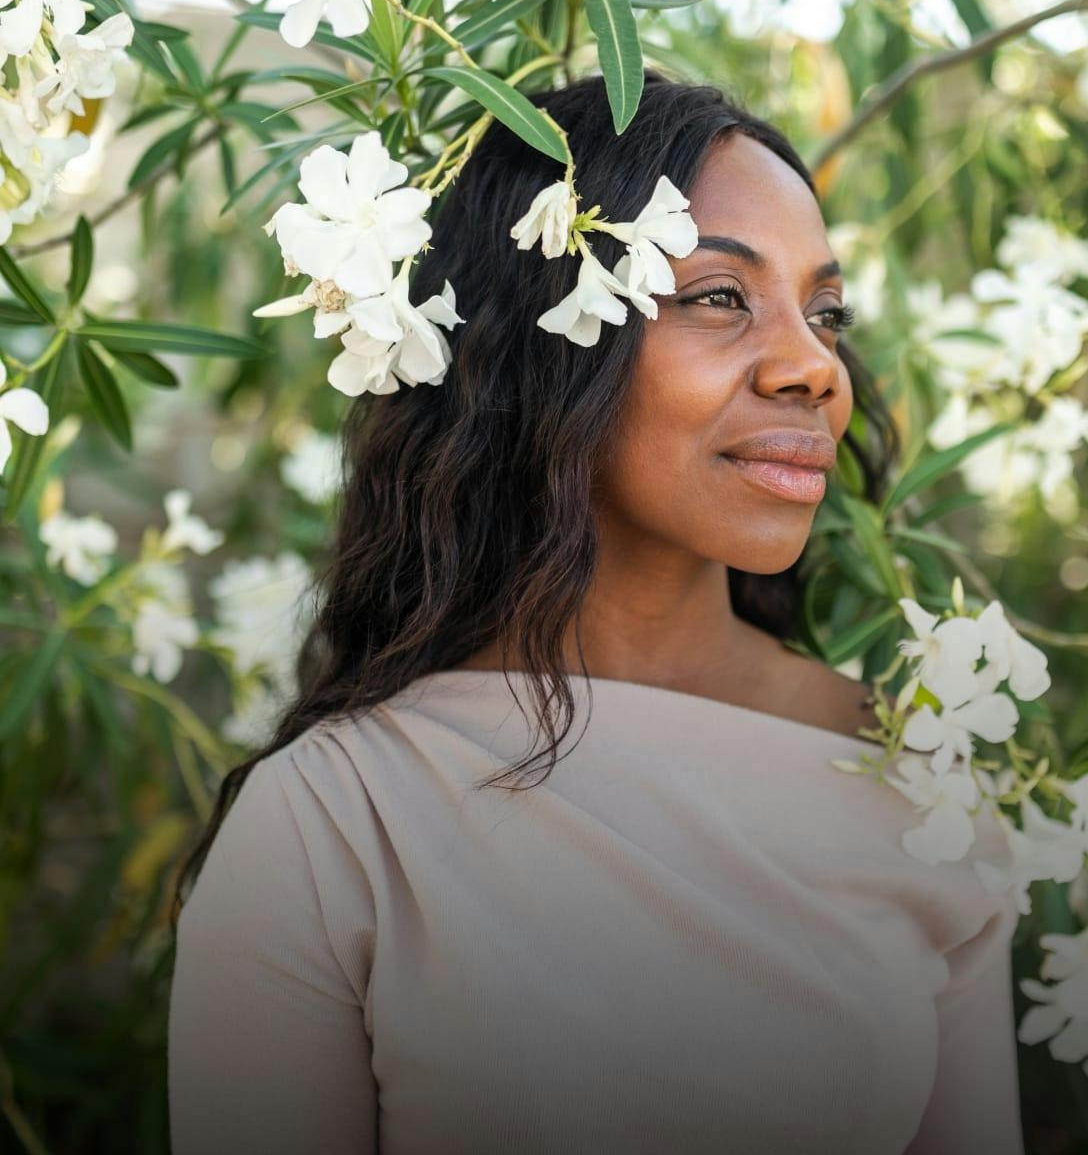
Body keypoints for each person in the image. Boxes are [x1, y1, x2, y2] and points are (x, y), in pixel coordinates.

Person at [167, 70, 1024, 1154]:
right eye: (719, 296)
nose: (816, 368)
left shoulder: (915, 783)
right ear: (538, 338)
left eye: (826, 312)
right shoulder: (335, 822)